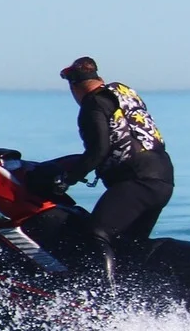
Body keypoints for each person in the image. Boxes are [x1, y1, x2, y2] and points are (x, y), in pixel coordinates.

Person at [57, 56, 175, 287]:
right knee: (127, 244)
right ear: (99, 78)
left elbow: (98, 151)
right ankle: (134, 293)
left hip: (137, 182)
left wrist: (66, 180)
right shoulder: (123, 92)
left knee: (96, 234)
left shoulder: (93, 104)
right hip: (163, 179)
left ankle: (104, 297)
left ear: (74, 88)